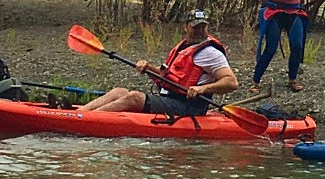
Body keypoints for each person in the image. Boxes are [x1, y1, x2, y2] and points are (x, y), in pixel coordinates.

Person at [79, 10, 238, 115]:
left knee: (134, 97)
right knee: (119, 91)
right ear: (185, 27)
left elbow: (231, 82)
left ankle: (84, 119)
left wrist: (202, 88)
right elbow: (167, 79)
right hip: (170, 98)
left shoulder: (211, 53)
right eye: (196, 27)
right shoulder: (184, 47)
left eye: (203, 27)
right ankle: (80, 113)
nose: (200, 31)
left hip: (189, 106)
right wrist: (148, 68)